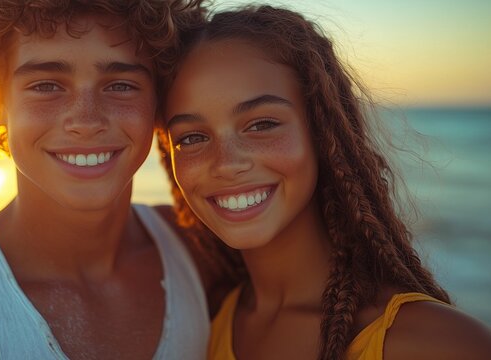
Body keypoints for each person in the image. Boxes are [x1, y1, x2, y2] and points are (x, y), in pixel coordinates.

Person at [0, 1, 237, 359]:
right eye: (46, 85)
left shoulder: (200, 253)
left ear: (159, 102)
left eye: (121, 85)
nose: (86, 121)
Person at [157, 5, 491, 360]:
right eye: (191, 138)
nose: (225, 163)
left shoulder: (439, 344)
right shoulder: (197, 329)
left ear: (322, 132)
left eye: (262, 124)